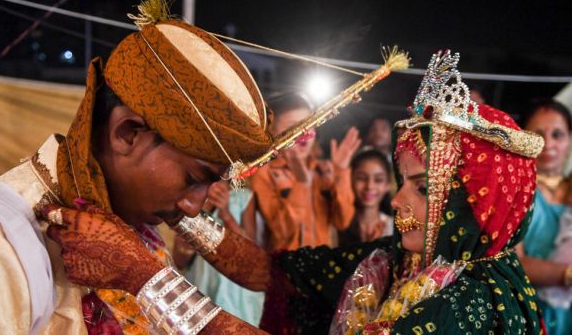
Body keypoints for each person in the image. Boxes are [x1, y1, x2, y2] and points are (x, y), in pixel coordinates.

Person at [44, 50, 546, 335]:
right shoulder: (396, 261)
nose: (396, 201)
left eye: (421, 187)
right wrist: (182, 211)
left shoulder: (476, 305)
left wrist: (148, 279)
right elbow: (272, 273)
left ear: (476, 204)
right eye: (402, 183)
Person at [0, 0, 274, 333]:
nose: (193, 208)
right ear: (127, 134)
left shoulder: (133, 232)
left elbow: (268, 276)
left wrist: (144, 275)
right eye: (193, 178)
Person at [251, 92, 360, 251]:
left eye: (308, 125)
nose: (304, 135)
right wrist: (302, 184)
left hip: (322, 269)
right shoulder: (265, 174)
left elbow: (342, 221)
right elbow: (281, 230)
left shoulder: (323, 170)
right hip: (284, 269)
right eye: (293, 128)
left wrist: (341, 172)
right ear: (271, 133)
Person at [173, 180, 265, 327]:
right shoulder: (193, 196)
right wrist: (203, 210)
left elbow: (251, 252)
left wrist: (226, 213)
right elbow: (179, 259)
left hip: (236, 291)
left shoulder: (244, 196)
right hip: (203, 279)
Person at [516, 99, 572, 335]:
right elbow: (513, 264)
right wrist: (567, 274)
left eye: (557, 134)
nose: (548, 143)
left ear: (569, 140)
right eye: (538, 134)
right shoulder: (515, 191)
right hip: (528, 311)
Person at [338, 148, 393, 247]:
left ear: (387, 185)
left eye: (378, 180)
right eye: (361, 178)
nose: (369, 186)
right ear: (350, 180)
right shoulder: (337, 225)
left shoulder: (394, 229)